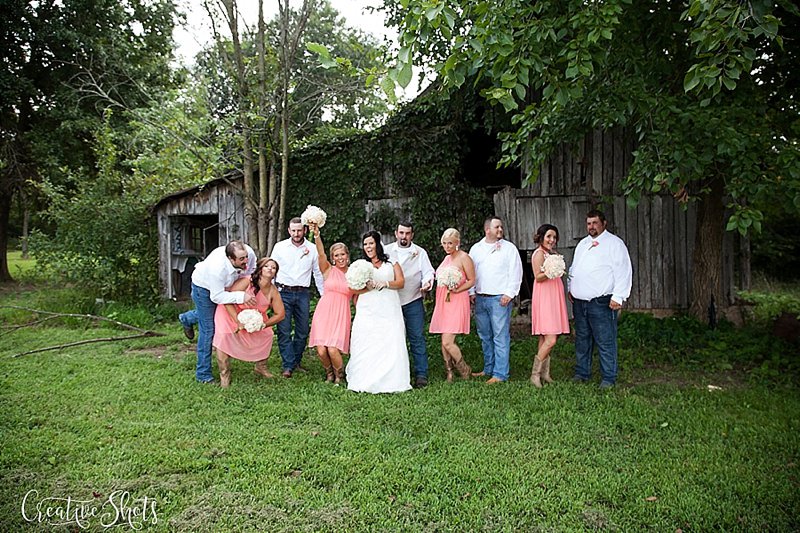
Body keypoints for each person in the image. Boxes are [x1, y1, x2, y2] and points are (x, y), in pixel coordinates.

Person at [568, 209, 633, 389]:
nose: (591, 227)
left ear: (604, 223)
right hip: (580, 303)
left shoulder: (614, 244)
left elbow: (623, 271)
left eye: (595, 223)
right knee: (582, 339)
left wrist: (619, 296)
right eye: (589, 223)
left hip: (601, 302)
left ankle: (609, 377)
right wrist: (570, 288)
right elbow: (574, 268)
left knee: (605, 340)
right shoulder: (582, 244)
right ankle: (582, 372)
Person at [346, 230, 412, 394]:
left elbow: (401, 282)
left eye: (371, 243)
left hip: (388, 306)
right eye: (365, 244)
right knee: (368, 340)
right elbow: (352, 288)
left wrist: (386, 283)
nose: (368, 247)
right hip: (368, 308)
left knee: (391, 339)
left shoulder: (391, 262)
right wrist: (366, 289)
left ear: (378, 244)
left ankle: (393, 381)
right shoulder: (361, 265)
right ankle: (365, 379)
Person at [182, 241, 258, 384]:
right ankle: (203, 375)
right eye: (241, 259)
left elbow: (250, 271)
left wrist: (240, 288)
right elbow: (216, 296)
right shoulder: (217, 269)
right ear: (230, 259)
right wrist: (241, 296)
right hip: (204, 289)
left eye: (246, 257)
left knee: (211, 316)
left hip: (226, 286)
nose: (246, 261)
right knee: (208, 329)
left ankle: (188, 318)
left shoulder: (249, 253)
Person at [213, 258, 286, 388]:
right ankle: (224, 374)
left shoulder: (273, 291)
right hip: (230, 313)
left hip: (253, 318)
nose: (270, 269)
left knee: (267, 334)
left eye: (273, 267)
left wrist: (263, 324)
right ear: (260, 269)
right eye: (266, 266)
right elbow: (227, 299)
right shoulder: (247, 281)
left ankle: (261, 366)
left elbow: (280, 314)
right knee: (224, 337)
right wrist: (237, 321)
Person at [469, 217, 523, 384]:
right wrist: (471, 292)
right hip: (480, 298)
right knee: (485, 335)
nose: (500, 229)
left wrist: (510, 293)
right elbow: (470, 271)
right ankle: (488, 368)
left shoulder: (509, 248)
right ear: (487, 230)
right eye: (496, 227)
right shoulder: (476, 249)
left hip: (500, 299)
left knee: (500, 336)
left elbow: (516, 271)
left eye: (501, 227)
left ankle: (500, 373)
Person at [270, 217, 325, 378]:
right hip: (283, 292)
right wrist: (271, 293)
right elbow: (272, 269)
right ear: (288, 231)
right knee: (284, 330)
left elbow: (317, 273)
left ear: (305, 230)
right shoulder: (279, 247)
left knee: (302, 331)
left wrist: (323, 296)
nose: (296, 233)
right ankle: (288, 365)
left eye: (299, 230)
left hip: (303, 293)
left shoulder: (312, 249)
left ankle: (296, 361)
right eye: (293, 230)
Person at [385, 222, 435, 388]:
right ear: (396, 233)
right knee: (392, 338)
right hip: (391, 302)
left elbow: (428, 272)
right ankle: (395, 373)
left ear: (412, 235)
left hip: (413, 300)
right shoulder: (386, 250)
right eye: (401, 233)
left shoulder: (420, 252)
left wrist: (428, 282)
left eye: (407, 233)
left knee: (417, 338)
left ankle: (421, 374)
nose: (404, 236)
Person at [429, 228, 475, 382]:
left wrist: (457, 289)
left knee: (447, 341)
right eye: (444, 243)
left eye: (450, 243)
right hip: (443, 300)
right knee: (444, 338)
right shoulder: (446, 258)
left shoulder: (464, 258)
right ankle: (449, 371)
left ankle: (464, 369)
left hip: (457, 299)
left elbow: (471, 280)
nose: (447, 246)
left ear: (457, 243)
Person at [307, 223, 352, 385]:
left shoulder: (355, 274)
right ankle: (329, 373)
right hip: (324, 311)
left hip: (341, 312)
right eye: (336, 255)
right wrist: (317, 235)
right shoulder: (327, 270)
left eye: (342, 255)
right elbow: (320, 254)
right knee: (321, 349)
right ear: (332, 258)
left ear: (347, 256)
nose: (340, 258)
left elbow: (359, 296)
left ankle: (340, 375)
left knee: (333, 349)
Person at [529, 224, 570, 388]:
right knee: (551, 339)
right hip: (545, 297)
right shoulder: (539, 254)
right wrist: (552, 271)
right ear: (541, 237)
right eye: (548, 237)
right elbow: (538, 277)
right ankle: (535, 374)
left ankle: (545, 373)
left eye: (554, 237)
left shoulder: (551, 254)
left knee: (544, 338)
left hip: (554, 296)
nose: (552, 240)